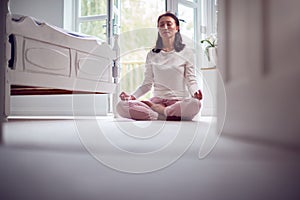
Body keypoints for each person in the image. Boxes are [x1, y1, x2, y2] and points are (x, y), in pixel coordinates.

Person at [116, 12, 202, 121]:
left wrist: (195, 92)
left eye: (169, 24)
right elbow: (147, 84)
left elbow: (191, 79)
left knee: (195, 104)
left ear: (177, 28)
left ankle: (162, 112)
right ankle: (162, 115)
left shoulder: (187, 52)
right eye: (161, 25)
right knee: (121, 106)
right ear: (158, 29)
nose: (165, 27)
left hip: (177, 102)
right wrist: (131, 97)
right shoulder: (152, 54)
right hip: (156, 102)